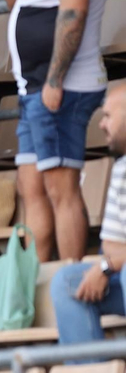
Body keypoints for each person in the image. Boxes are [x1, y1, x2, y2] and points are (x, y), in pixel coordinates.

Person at [0, 0, 108, 263]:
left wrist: (55, 79)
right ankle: (39, 281)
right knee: (32, 190)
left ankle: (69, 279)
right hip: (36, 88)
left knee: (62, 191)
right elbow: (19, 6)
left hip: (61, 86)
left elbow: (73, 14)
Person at [51, 82, 126, 343]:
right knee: (67, 283)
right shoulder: (121, 168)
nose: (101, 124)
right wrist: (107, 265)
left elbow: (115, 258)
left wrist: (107, 265)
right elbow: (112, 245)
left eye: (108, 116)